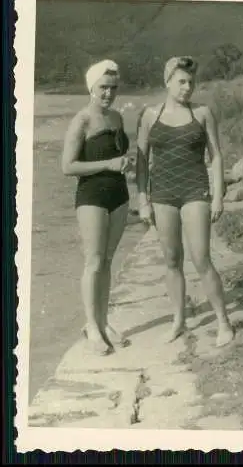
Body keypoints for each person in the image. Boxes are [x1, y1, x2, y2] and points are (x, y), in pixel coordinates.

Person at [136, 56, 235, 348]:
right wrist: (143, 199)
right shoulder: (149, 115)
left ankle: (223, 322)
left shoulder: (202, 113)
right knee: (171, 260)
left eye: (191, 82)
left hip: (194, 191)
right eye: (181, 81)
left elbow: (216, 156)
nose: (187, 87)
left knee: (201, 257)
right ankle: (178, 320)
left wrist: (218, 195)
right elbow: (142, 162)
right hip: (163, 194)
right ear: (167, 82)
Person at [61, 59, 131, 356]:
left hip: (119, 195)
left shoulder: (117, 118)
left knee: (108, 261)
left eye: (113, 88)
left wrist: (127, 162)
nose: (108, 93)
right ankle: (91, 326)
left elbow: (120, 153)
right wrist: (109, 164)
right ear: (92, 87)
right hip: (91, 196)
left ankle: (103, 322)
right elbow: (67, 166)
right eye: (103, 87)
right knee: (93, 261)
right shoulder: (82, 120)